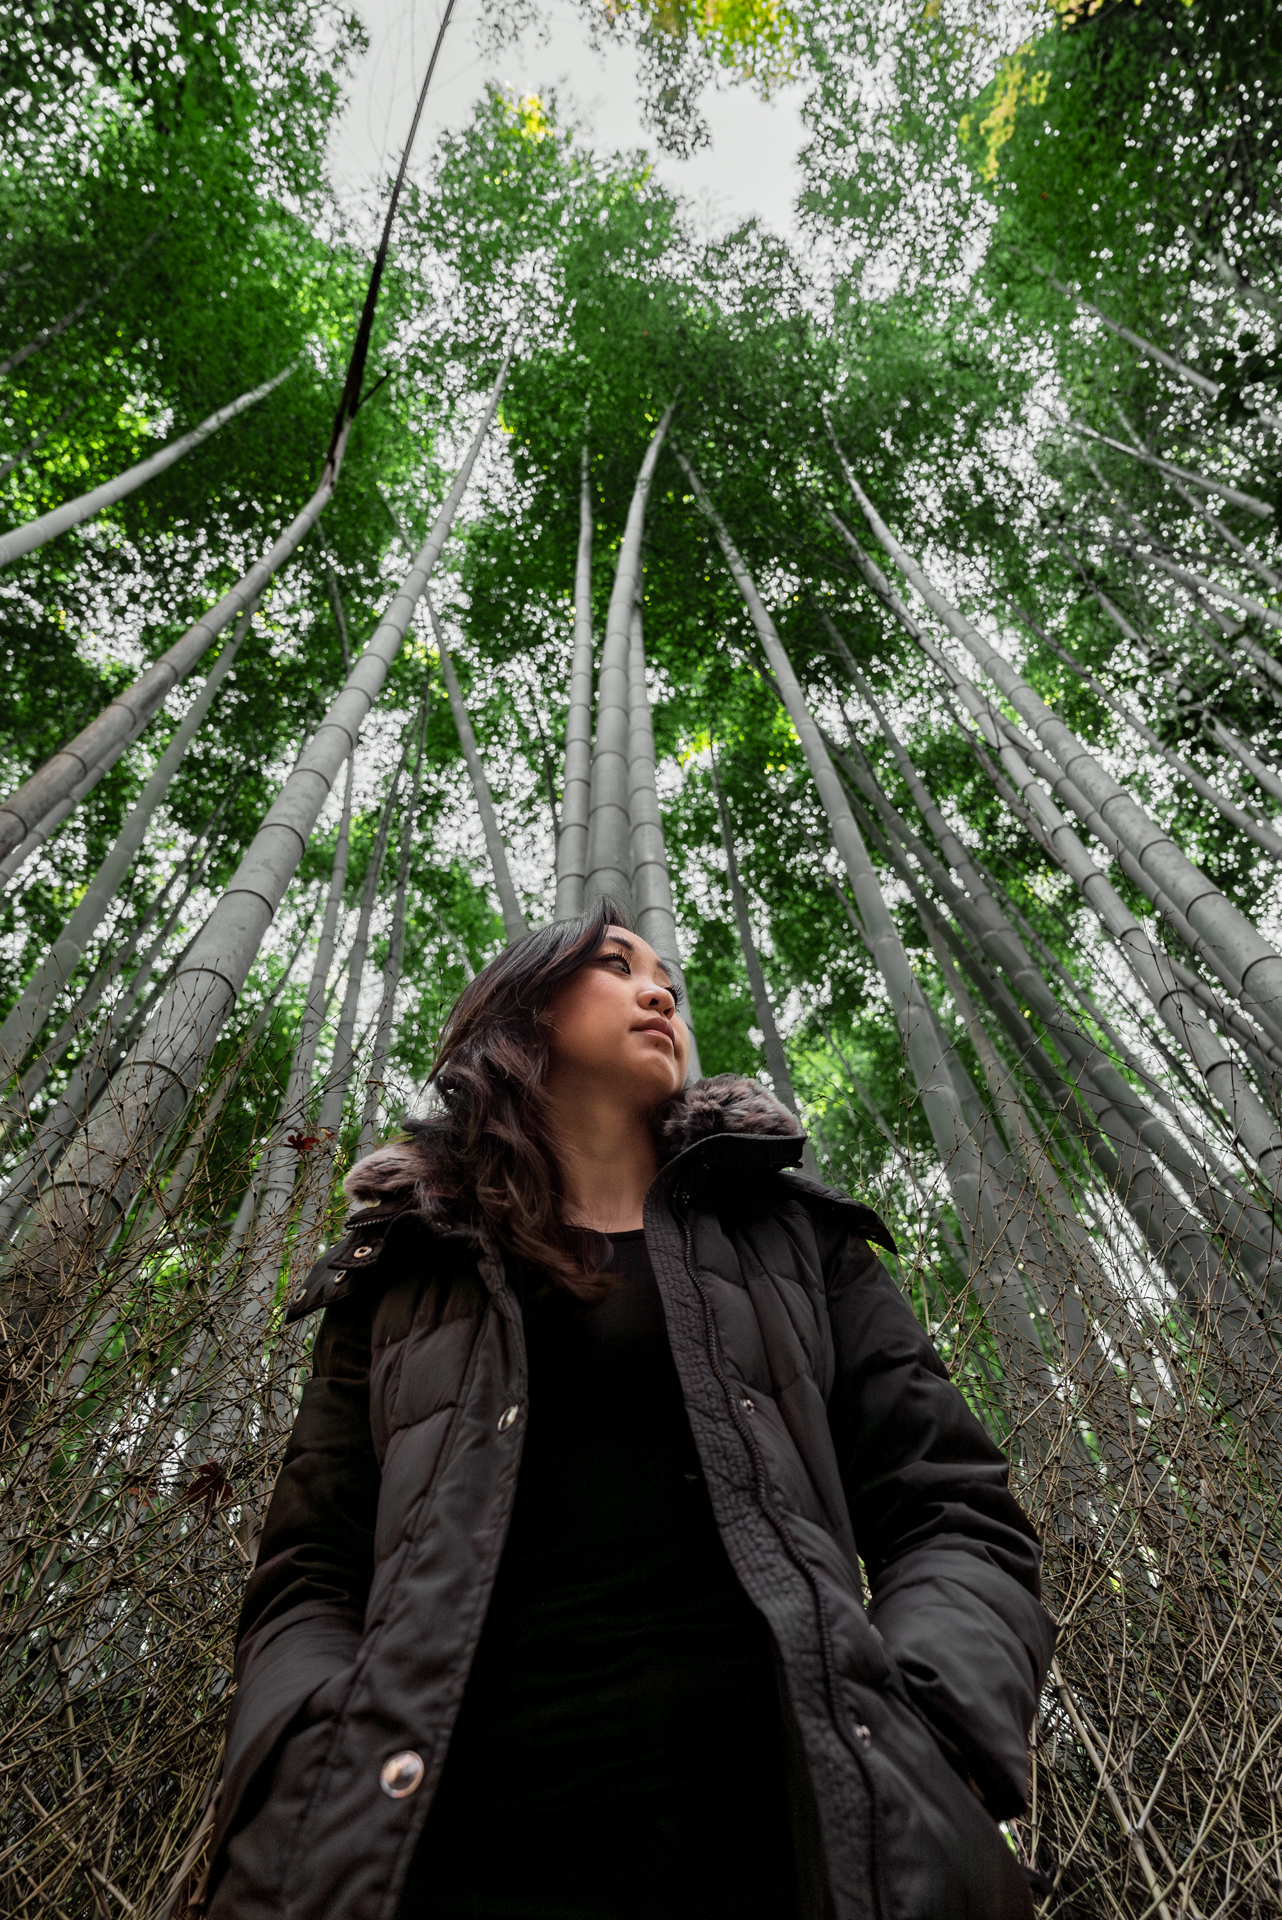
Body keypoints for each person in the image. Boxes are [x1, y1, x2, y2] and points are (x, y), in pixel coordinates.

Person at [201, 899, 1054, 1920]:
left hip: (799, 1841)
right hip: (443, 1853)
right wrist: (309, 1770)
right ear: (517, 1012)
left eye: (669, 983)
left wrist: (927, 1724)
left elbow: (947, 1506)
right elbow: (309, 1577)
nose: (660, 991)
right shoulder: (406, 1272)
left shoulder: (794, 1238)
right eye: (615, 964)